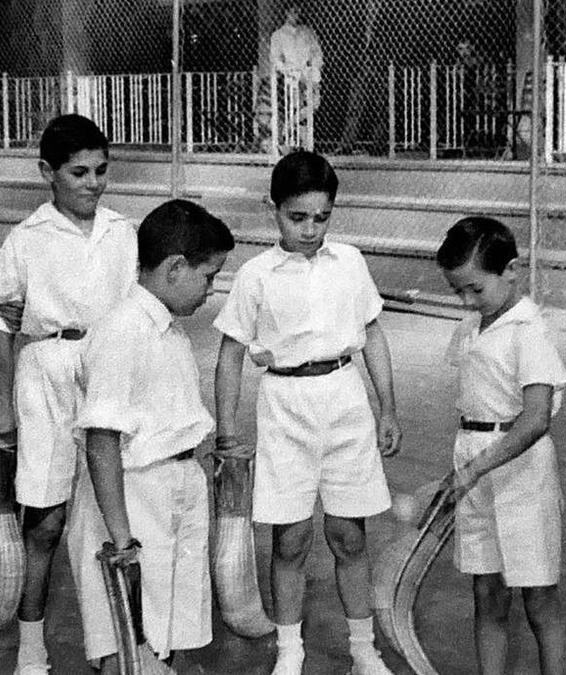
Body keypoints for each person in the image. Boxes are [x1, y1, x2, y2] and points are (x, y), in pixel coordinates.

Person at [212, 150, 402, 675]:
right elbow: (230, 355)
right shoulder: (256, 275)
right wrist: (228, 430)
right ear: (273, 209)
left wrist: (388, 407)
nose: (311, 229)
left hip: (345, 400)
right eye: (298, 217)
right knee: (289, 539)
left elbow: (372, 336)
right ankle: (289, 653)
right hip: (283, 406)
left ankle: (364, 651)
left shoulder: (350, 263)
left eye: (322, 217)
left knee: (348, 535)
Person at [0, 113, 135, 675]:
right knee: (46, 522)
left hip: (109, 371)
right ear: (48, 173)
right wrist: (2, 416)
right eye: (79, 172)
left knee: (115, 519)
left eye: (101, 171)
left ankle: (115, 647)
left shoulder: (122, 232)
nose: (93, 183)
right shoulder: (27, 238)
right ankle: (32, 651)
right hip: (46, 371)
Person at [66, 199, 234, 673]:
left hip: (174, 490)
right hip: (136, 500)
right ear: (176, 268)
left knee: (168, 635)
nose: (211, 290)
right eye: (209, 276)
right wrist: (122, 538)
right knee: (128, 645)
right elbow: (101, 441)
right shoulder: (124, 330)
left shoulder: (166, 329)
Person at [436, 217, 566, 675]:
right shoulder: (473, 326)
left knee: (540, 600)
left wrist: (475, 469)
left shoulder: (529, 330)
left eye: (475, 289)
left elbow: (534, 420)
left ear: (511, 270)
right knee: (487, 595)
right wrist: (465, 467)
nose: (468, 301)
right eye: (459, 293)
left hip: (522, 473)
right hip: (475, 468)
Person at [268, 3, 323, 150]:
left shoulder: (308, 32)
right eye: (293, 12)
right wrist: (287, 70)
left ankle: (290, 124)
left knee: (314, 104)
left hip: (308, 73)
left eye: (298, 12)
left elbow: (317, 53)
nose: (296, 15)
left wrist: (314, 68)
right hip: (291, 75)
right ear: (286, 13)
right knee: (295, 107)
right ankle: (302, 144)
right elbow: (275, 58)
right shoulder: (278, 35)